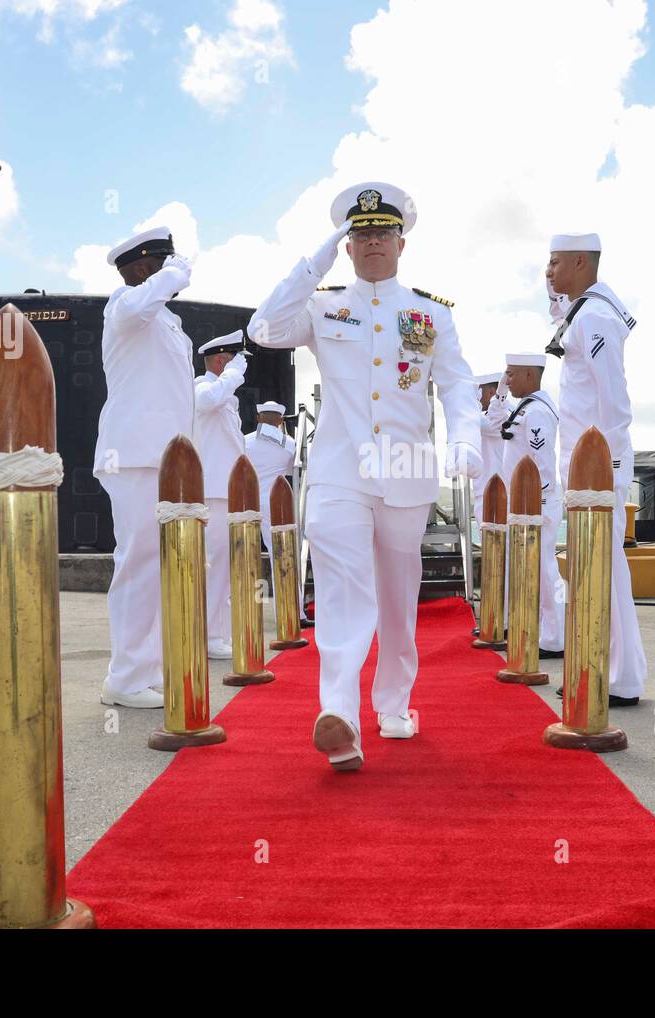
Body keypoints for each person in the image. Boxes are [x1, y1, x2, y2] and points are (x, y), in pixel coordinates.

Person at [247, 181, 482, 770]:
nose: (373, 242)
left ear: (402, 242)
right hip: (337, 471)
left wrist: (467, 440)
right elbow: (264, 330)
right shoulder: (323, 305)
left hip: (406, 473)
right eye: (361, 234)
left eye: (383, 233)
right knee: (343, 590)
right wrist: (312, 263)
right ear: (347, 246)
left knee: (399, 601)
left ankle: (395, 702)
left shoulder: (429, 314)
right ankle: (340, 715)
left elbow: (454, 383)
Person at [95, 227, 197, 709]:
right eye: (164, 263)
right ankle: (126, 677)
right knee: (137, 562)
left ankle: (145, 668)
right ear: (141, 268)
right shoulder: (124, 304)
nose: (173, 271)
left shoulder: (169, 323)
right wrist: (173, 275)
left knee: (160, 566)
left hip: (170, 458)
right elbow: (138, 307)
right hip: (134, 455)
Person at [545, 232, 645, 706]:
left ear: (580, 262)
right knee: (599, 568)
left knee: (603, 568)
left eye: (554, 262)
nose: (547, 271)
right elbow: (558, 315)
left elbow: (613, 397)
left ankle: (617, 674)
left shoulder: (597, 317)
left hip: (599, 465)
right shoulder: (583, 311)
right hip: (585, 467)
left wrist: (611, 463)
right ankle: (611, 669)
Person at [497, 353, 564, 657]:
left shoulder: (536, 412)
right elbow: (493, 421)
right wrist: (499, 392)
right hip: (525, 505)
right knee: (532, 570)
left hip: (537, 504)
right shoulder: (525, 408)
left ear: (529, 375)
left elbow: (542, 462)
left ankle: (555, 638)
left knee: (546, 571)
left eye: (511, 375)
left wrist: (536, 502)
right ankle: (540, 629)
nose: (507, 380)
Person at [193, 331, 250, 660]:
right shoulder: (202, 387)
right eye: (232, 361)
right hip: (213, 490)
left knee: (223, 566)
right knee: (214, 565)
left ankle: (216, 632)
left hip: (227, 489)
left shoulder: (225, 398)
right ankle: (211, 635)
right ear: (219, 361)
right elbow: (206, 400)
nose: (239, 370)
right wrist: (231, 375)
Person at [243, 400, 297, 584]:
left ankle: (240, 605)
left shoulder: (244, 441)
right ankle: (292, 606)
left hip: (247, 500)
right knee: (280, 554)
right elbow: (291, 471)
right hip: (274, 502)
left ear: (259, 418)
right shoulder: (290, 444)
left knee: (241, 551)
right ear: (281, 421)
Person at [474, 371, 511, 524]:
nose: (475, 396)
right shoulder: (483, 417)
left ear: (490, 392)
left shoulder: (505, 415)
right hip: (486, 491)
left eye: (477, 391)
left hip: (498, 491)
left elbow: (476, 421)